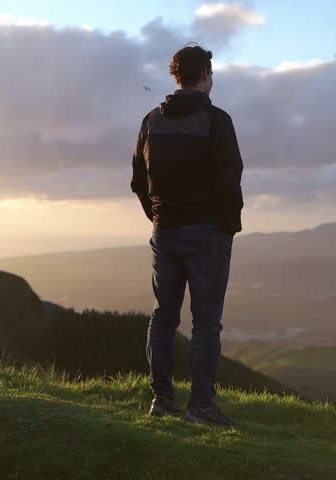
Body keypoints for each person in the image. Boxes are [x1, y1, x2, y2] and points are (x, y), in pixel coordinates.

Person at [130, 42, 244, 426]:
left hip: (165, 232)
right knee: (206, 323)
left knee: (163, 317)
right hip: (207, 233)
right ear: (206, 76)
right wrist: (227, 226)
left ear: (175, 76)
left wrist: (158, 216)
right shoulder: (216, 120)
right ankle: (200, 407)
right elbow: (230, 179)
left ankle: (162, 401)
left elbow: (138, 181)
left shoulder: (151, 121)